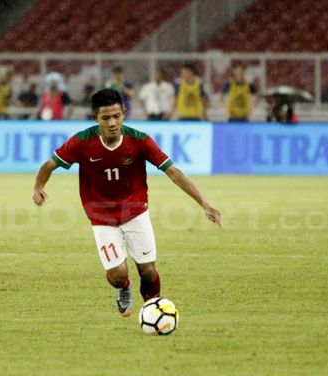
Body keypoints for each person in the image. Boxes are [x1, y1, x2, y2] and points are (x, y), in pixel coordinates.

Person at [32, 88, 221, 317]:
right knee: (118, 274)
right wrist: (38, 187)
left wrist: (204, 203)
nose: (112, 122)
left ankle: (153, 311)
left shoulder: (139, 140)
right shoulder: (82, 142)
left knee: (149, 271)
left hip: (136, 211)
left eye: (116, 116)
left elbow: (173, 172)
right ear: (95, 119)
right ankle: (123, 288)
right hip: (101, 216)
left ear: (124, 113)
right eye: (105, 118)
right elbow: (48, 166)